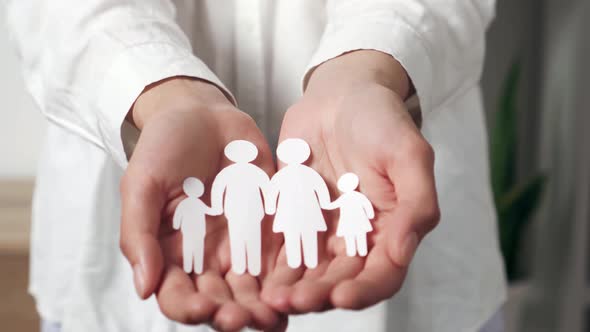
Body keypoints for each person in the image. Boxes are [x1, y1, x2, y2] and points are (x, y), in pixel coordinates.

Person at [5, 1, 506, 332]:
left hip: (410, 282)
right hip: (120, 296)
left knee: (303, 241)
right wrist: (157, 90)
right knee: (265, 242)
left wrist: (368, 68)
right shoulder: (239, 189)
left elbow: (301, 197)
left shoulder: (290, 183)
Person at [210, 140, 273, 276]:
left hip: (248, 211)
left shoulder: (236, 172)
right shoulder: (254, 172)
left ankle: (248, 265)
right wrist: (269, 207)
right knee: (247, 238)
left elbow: (267, 189)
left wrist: (217, 207)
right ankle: (246, 265)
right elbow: (218, 189)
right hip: (240, 212)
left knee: (242, 237)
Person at [267, 138, 331, 269]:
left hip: (293, 212)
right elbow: (321, 189)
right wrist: (325, 203)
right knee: (306, 236)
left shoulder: (282, 175)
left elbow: (272, 193)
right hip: (304, 211)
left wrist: (270, 207)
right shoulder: (308, 173)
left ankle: (298, 259)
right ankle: (308, 259)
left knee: (293, 236)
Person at [173, 177, 219, 274]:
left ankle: (195, 267)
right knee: (192, 248)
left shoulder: (194, 203)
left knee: (192, 248)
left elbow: (178, 215)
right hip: (191, 230)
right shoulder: (188, 203)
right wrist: (176, 224)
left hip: (196, 231)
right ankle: (190, 267)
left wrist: (217, 210)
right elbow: (178, 214)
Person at [324, 173, 375, 257]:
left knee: (355, 236)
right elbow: (367, 205)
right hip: (354, 221)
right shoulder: (354, 196)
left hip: (352, 221)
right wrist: (370, 214)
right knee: (355, 236)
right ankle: (356, 251)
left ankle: (359, 250)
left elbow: (366, 204)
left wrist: (325, 204)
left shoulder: (350, 197)